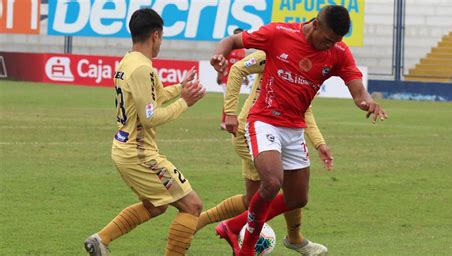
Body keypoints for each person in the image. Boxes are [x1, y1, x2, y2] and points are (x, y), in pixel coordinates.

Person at [210, 5, 388, 255]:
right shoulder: (278, 34)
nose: (330, 46)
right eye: (327, 39)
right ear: (315, 24)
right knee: (272, 182)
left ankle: (233, 225)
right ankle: (247, 248)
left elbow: (358, 91)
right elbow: (232, 40)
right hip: (264, 120)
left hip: (294, 129)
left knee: (297, 198)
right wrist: (219, 55)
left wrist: (366, 101)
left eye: (336, 41)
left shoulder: (338, 51)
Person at [84, 8, 206, 256]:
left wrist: (180, 88)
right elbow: (150, 117)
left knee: (155, 206)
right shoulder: (142, 69)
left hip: (126, 149)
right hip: (139, 154)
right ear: (155, 35)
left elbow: (153, 97)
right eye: (161, 38)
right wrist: (185, 102)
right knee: (192, 206)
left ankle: (101, 240)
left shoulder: (129, 62)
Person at [197, 50, 333, 256]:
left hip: (268, 132)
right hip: (251, 132)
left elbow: (305, 110)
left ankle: (201, 223)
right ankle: (291, 239)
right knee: (290, 185)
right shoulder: (276, 49)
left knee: (254, 199)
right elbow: (238, 68)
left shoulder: (306, 67)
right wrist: (230, 112)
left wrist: (319, 143)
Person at [217, 28, 246, 130]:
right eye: (237, 35)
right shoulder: (229, 48)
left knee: (233, 100)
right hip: (226, 77)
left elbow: (244, 65)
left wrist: (245, 78)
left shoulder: (242, 51)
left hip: (237, 79)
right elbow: (221, 62)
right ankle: (224, 122)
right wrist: (219, 75)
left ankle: (228, 121)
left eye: (241, 34)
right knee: (227, 99)